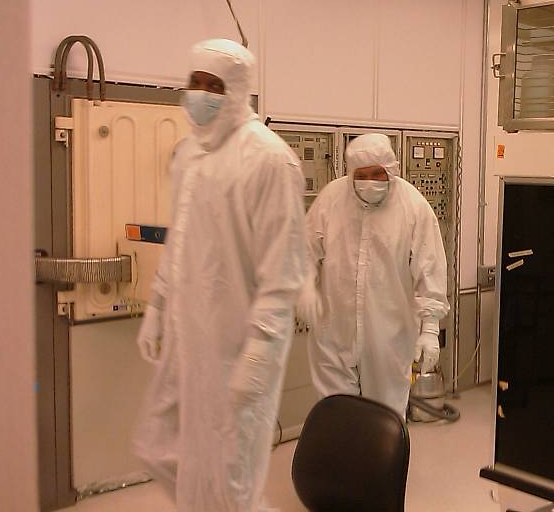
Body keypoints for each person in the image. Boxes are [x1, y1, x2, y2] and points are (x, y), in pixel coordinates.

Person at [134, 38, 306, 512]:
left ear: (238, 89)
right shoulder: (189, 155)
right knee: (163, 448)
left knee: (230, 475)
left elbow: (283, 270)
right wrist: (158, 305)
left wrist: (259, 351)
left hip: (238, 345)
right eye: (196, 82)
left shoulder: (268, 159)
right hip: (189, 337)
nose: (202, 94)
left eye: (214, 85)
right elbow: (180, 240)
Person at [296, 133, 449, 418]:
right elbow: (303, 249)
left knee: (384, 417)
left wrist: (430, 328)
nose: (370, 182)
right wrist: (304, 285)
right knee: (336, 413)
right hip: (334, 331)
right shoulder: (331, 199)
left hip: (388, 336)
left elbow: (430, 270)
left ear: (391, 169)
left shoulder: (413, 207)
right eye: (362, 175)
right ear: (350, 174)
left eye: (377, 174)